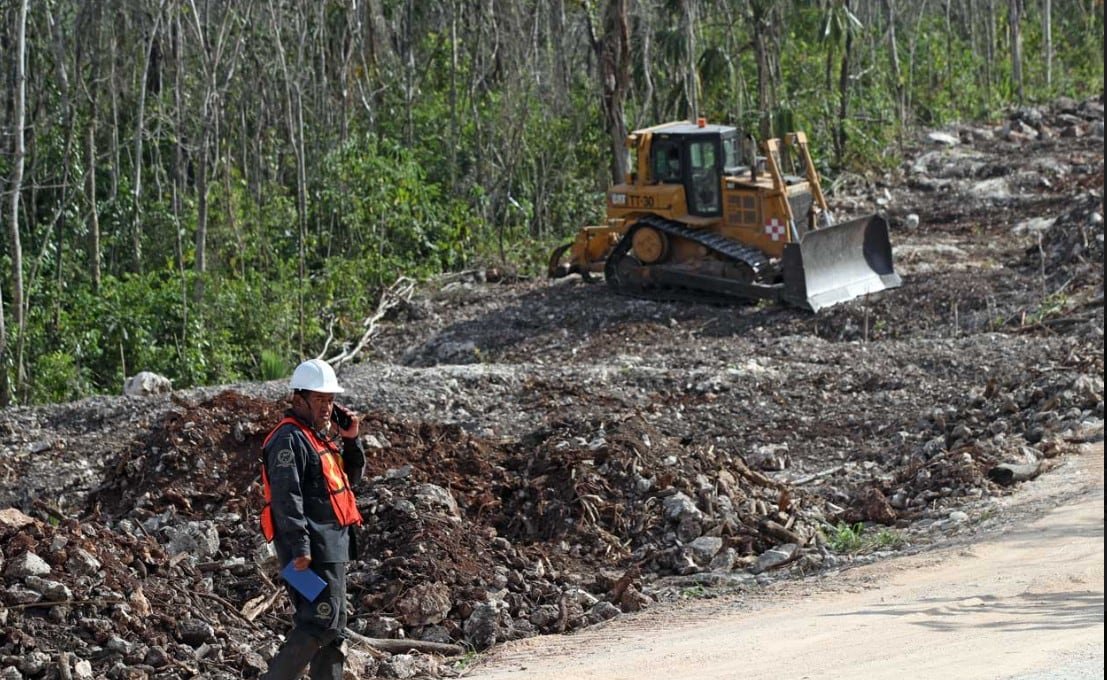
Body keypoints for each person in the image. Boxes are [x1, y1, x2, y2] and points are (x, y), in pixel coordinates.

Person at [259, 358, 366, 680]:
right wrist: (301, 548)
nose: (326, 407)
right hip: (303, 553)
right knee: (320, 620)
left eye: (330, 400)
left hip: (330, 548)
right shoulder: (288, 440)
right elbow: (286, 498)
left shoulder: (317, 438)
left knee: (335, 625)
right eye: (320, 400)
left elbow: (352, 479)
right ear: (298, 399)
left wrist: (351, 438)